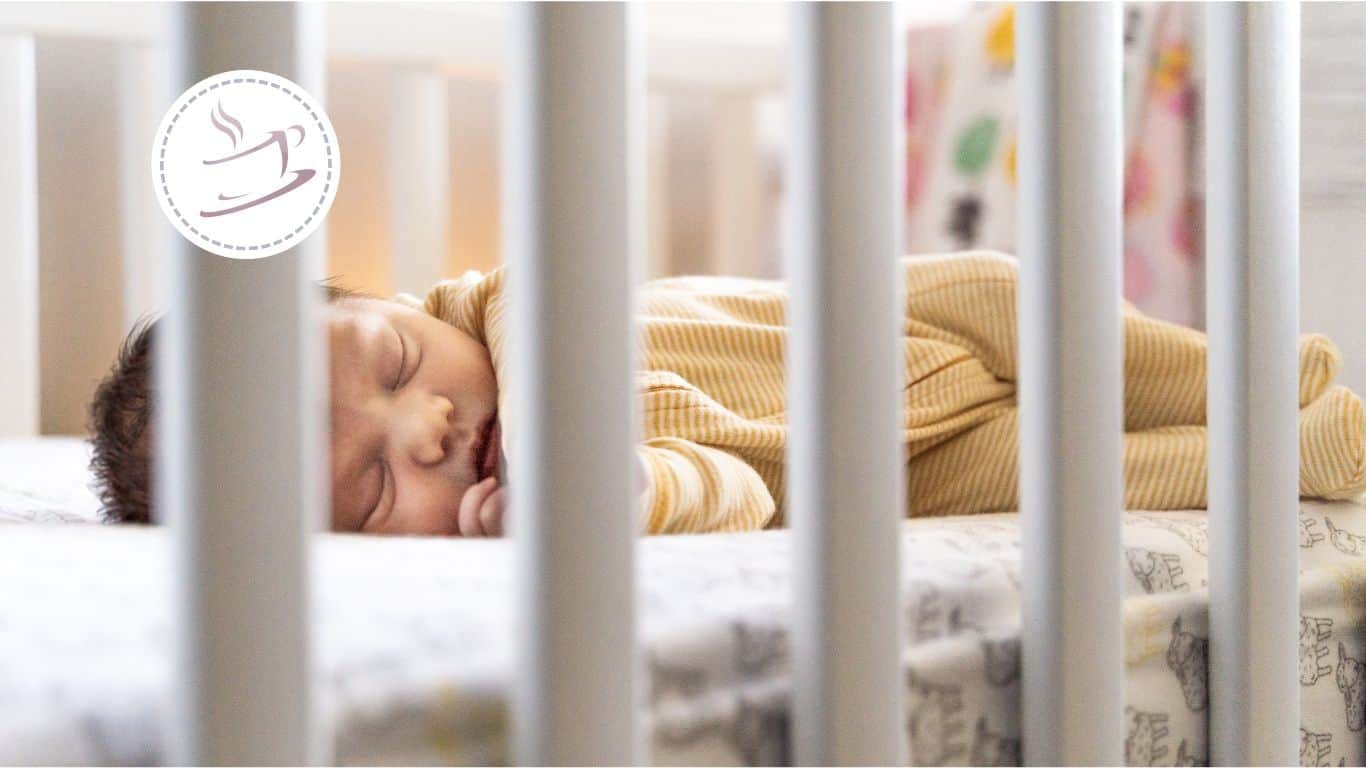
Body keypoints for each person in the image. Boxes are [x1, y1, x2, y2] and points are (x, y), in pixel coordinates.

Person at [90, 251, 1366, 536]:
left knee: (1121, 347)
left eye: (396, 368)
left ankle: (1296, 377)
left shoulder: (506, 304)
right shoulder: (516, 511)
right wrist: (596, 493)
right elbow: (733, 494)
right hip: (915, 470)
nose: (428, 429)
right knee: (1172, 468)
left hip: (923, 321)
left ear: (405, 307)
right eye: (372, 488)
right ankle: (1335, 446)